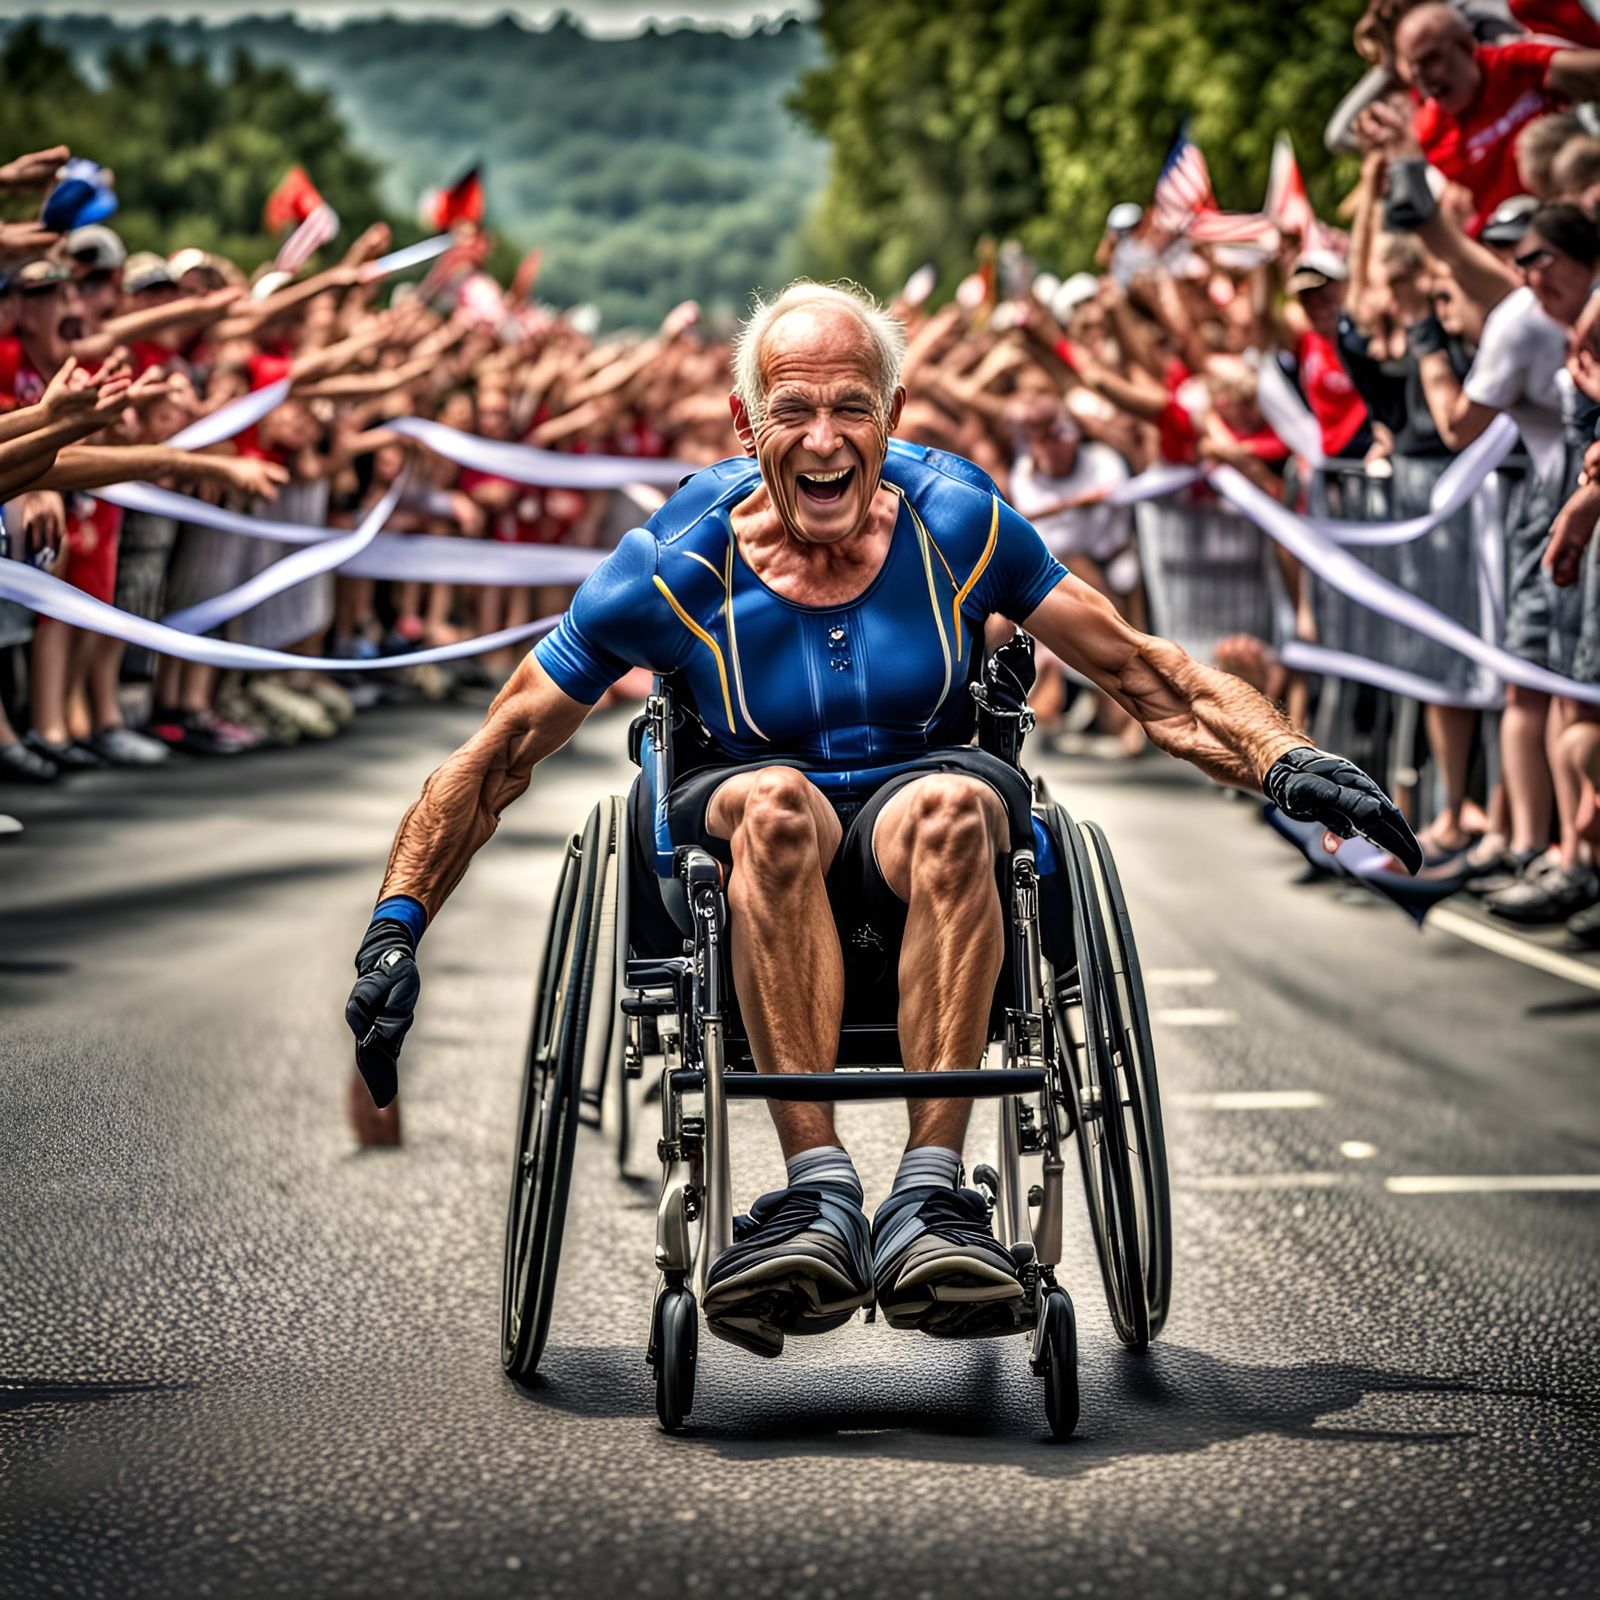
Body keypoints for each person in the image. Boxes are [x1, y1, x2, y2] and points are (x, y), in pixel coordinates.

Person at [345, 281, 1419, 1358]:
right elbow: (493, 756)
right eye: (795, 411)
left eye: (852, 407)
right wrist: (396, 927)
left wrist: (1288, 762)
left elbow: (1147, 676)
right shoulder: (674, 564)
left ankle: (928, 1197)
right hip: (751, 801)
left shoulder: (957, 519)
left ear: (892, 417)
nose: (825, 439)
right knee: (773, 809)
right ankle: (816, 1194)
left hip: (926, 791)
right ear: (744, 424)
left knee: (958, 810)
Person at [1397, 3, 1600, 234]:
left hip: (1582, 212)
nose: (1422, 77)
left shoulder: (1512, 62)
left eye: (1430, 59)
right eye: (1414, 67)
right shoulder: (1431, 132)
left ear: (1465, 44)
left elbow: (1592, 72)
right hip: (1523, 241)